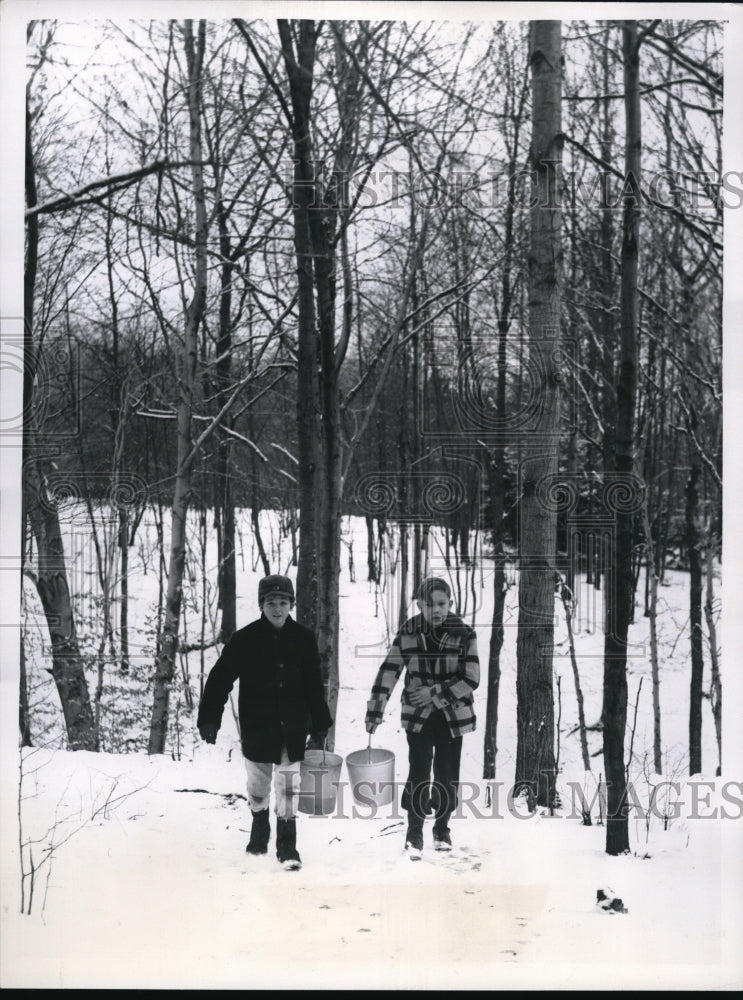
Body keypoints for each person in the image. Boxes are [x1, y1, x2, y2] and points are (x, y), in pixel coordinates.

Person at [197, 574, 333, 872]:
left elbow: (314, 684)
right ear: (262, 605)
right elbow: (220, 678)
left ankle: (288, 847)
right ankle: (259, 829)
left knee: (288, 785)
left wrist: (320, 725)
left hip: (293, 726)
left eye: (283, 602)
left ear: (291, 605)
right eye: (271, 603)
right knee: (258, 785)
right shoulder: (245, 639)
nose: (277, 608)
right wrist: (210, 717)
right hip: (258, 725)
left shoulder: (304, 638)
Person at [365, 576, 480, 860]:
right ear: (419, 605)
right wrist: (375, 710)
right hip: (418, 715)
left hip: (453, 715)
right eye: (429, 605)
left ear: (450, 604)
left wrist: (434, 693)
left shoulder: (464, 634)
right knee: (419, 770)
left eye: (441, 604)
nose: (436, 610)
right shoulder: (408, 633)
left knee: (447, 773)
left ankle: (442, 828)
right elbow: (389, 671)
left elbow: (472, 677)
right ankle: (413, 833)